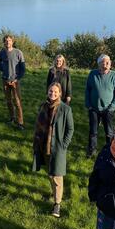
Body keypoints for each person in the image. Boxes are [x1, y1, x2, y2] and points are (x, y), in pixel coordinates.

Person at [32, 82, 74, 218]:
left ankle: (57, 204)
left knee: (57, 176)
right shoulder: (43, 106)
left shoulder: (65, 109)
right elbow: (38, 126)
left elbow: (70, 129)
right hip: (43, 146)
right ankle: (55, 194)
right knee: (50, 174)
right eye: (51, 91)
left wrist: (63, 145)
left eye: (55, 92)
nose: (53, 94)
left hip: (57, 147)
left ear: (60, 93)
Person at [84, 54, 115, 157]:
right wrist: (89, 105)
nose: (107, 64)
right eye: (104, 62)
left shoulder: (114, 75)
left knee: (109, 132)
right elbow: (87, 90)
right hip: (94, 108)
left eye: (108, 62)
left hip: (108, 109)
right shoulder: (92, 74)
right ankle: (91, 150)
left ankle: (110, 150)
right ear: (99, 64)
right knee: (93, 131)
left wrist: (111, 108)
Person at [0, 34, 26, 129]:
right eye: (6, 40)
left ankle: (20, 122)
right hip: (5, 80)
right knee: (8, 101)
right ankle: (12, 118)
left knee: (17, 102)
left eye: (9, 40)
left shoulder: (18, 52)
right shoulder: (2, 53)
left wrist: (17, 78)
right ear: (4, 42)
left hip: (15, 81)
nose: (7, 42)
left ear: (12, 42)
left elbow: (23, 68)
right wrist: (3, 71)